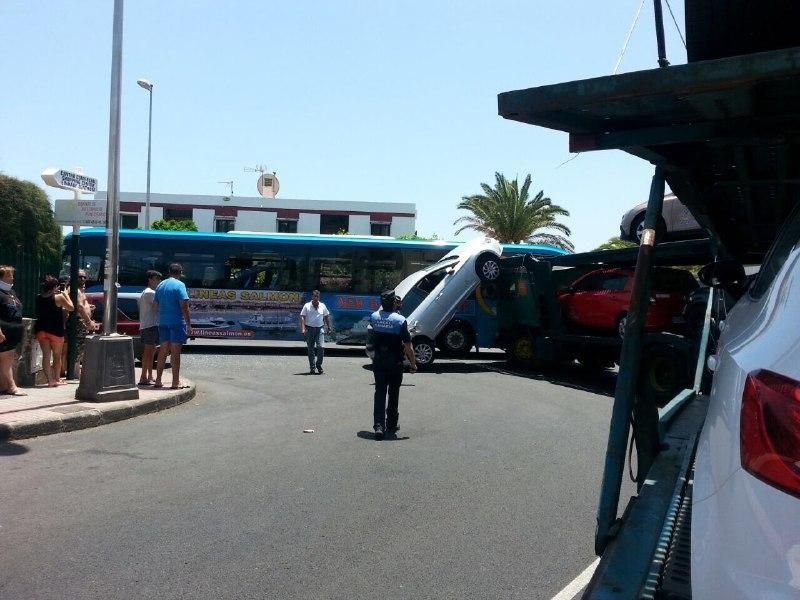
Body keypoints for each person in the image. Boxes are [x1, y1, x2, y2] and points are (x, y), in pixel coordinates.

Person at [369, 289, 417, 440]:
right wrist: (413, 364)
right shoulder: (400, 320)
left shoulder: (374, 317)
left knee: (380, 392)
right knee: (394, 393)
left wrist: (373, 358)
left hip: (379, 362)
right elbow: (408, 346)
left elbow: (370, 341)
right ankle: (391, 424)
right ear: (394, 303)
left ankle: (378, 426)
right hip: (395, 362)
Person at [154, 263, 191, 389]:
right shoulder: (180, 285)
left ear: (169, 272)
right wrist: (189, 324)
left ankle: (158, 380)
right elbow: (184, 306)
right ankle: (175, 382)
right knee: (175, 352)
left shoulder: (161, 285)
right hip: (176, 322)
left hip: (163, 321)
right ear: (180, 273)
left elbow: (155, 306)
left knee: (163, 350)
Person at [35, 275, 74, 387]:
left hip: (41, 330)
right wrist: (65, 294)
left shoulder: (38, 297)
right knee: (57, 356)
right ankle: (57, 379)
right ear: (53, 288)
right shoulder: (58, 298)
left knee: (46, 355)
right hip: (56, 331)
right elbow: (71, 307)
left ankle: (50, 380)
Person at [0, 265, 27, 396]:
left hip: (13, 331)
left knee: (7, 360)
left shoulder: (11, 293)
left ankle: (3, 386)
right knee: (6, 360)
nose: (12, 278)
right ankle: (11, 386)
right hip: (4, 331)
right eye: (9, 275)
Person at [137, 269, 162, 386]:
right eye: (157, 279)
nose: (159, 281)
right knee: (148, 352)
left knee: (151, 351)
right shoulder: (149, 293)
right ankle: (143, 377)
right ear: (150, 280)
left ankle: (149, 375)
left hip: (150, 325)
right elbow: (158, 307)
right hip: (149, 325)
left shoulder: (147, 292)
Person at [299, 289, 331, 374]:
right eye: (314, 296)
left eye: (317, 296)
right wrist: (303, 328)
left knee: (321, 347)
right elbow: (302, 317)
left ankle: (318, 365)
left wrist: (329, 327)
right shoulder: (307, 306)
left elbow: (326, 316)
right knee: (311, 349)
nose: (316, 298)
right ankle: (312, 368)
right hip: (309, 329)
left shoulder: (322, 306)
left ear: (319, 297)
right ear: (312, 297)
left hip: (320, 329)